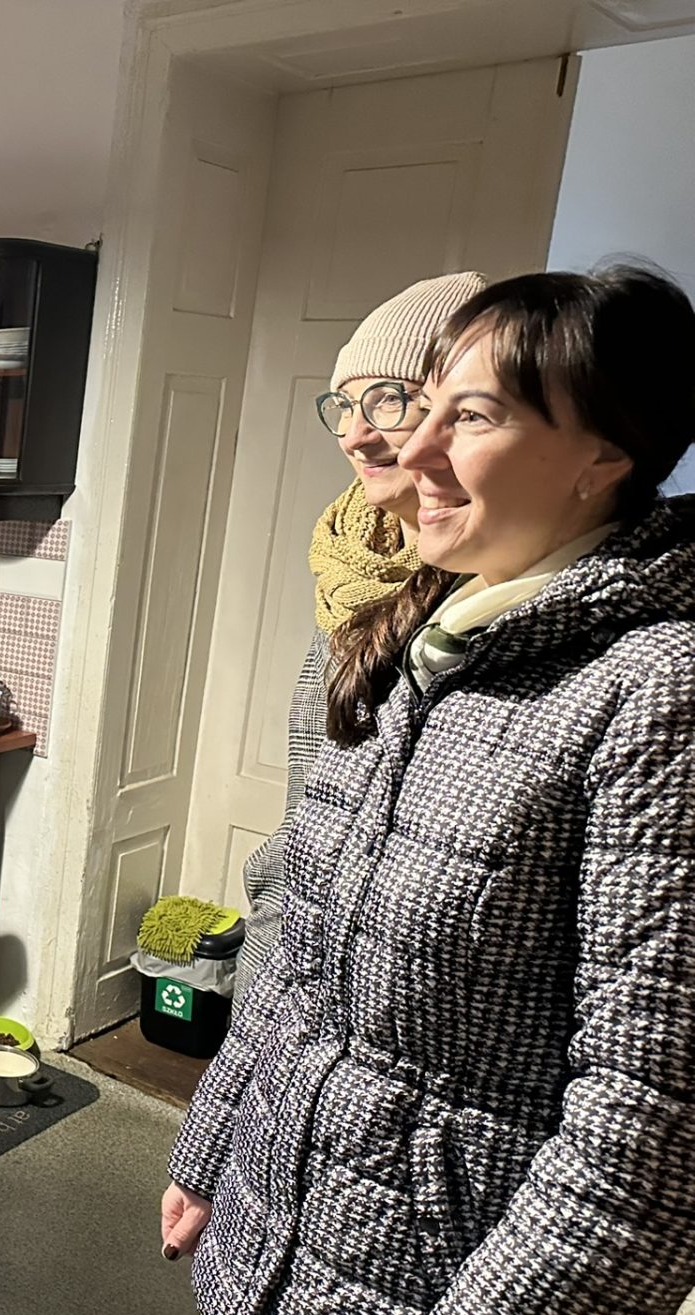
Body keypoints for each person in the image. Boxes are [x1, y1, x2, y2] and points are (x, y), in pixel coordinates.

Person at [161, 265, 695, 1315]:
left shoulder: (658, 692)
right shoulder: (415, 641)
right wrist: (210, 1145)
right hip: (279, 1275)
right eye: (425, 407)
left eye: (474, 415)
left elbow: (652, 1129)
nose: (411, 450)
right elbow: (299, 945)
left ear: (605, 455)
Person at [235, 272, 485, 1000]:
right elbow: (304, 817)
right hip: (292, 950)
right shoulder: (349, 566)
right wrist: (259, 987)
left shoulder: (492, 598)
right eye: (345, 405)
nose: (354, 435)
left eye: (389, 400)